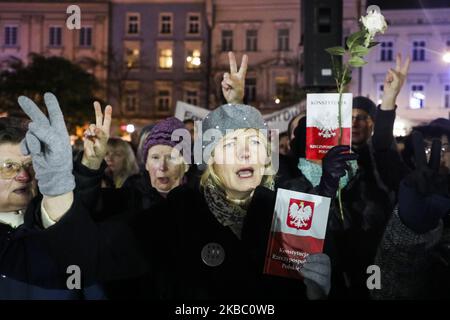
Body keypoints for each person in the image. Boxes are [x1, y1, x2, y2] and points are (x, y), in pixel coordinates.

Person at [0, 97, 107, 299]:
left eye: (31, 164)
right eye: (8, 167)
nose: (24, 176)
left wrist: (89, 166)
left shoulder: (63, 225)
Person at [373, 131, 450, 299]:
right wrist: (409, 232)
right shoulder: (413, 193)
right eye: (429, 150)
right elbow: (380, 289)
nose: (439, 158)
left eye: (445, 148)